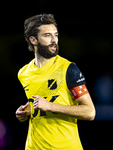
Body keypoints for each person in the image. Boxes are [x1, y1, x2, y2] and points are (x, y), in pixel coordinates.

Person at [15, 14, 95, 150]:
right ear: (33, 40)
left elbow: (89, 112)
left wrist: (50, 106)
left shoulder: (68, 69)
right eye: (47, 35)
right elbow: (41, 101)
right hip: (33, 146)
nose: (54, 40)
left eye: (56, 35)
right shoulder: (23, 73)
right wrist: (27, 111)